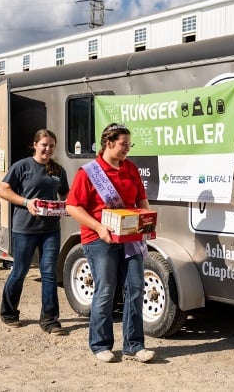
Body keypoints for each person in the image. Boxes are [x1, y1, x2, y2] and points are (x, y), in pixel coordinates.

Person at [66, 123, 155, 363]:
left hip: (130, 238)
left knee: (136, 287)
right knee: (105, 290)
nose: (127, 148)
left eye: (129, 144)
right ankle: (100, 344)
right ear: (109, 143)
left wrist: (147, 220)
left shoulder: (131, 168)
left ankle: (134, 345)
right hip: (99, 238)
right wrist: (98, 227)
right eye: (123, 144)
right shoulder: (89, 172)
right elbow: (72, 206)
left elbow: (141, 199)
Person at [0, 129, 70, 336]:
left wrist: (66, 205)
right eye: (44, 144)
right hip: (25, 228)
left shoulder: (58, 170)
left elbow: (65, 192)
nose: (48, 149)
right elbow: (3, 190)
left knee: (49, 273)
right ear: (35, 145)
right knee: (20, 271)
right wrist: (27, 202)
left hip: (50, 230)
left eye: (52, 145)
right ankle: (9, 313)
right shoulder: (22, 166)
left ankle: (50, 320)